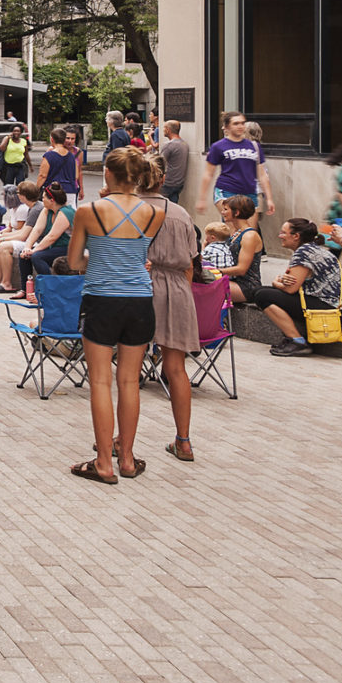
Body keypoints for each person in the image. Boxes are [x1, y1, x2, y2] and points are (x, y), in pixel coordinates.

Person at [65, 147, 165, 485]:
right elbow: (140, 255)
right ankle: (127, 458)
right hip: (140, 300)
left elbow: (76, 261)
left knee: (100, 382)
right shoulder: (155, 213)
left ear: (108, 173)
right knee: (129, 382)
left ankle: (103, 461)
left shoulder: (89, 210)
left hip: (102, 298)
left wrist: (100, 258)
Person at [137, 153, 200, 463]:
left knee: (129, 369)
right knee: (176, 369)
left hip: (140, 284)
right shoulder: (180, 213)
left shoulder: (129, 210)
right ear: (163, 180)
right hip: (176, 287)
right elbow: (190, 262)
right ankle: (184, 441)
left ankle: (122, 439)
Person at [254, 218, 342, 357]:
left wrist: (276, 282)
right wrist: (282, 281)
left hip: (332, 308)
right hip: (336, 305)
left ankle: (297, 341)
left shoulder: (303, 253)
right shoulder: (312, 249)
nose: (280, 236)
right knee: (262, 291)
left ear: (296, 236)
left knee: (262, 295)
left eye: (283, 232)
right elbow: (292, 281)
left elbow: (291, 289)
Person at [200, 111, 275, 217]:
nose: (240, 126)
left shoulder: (254, 146)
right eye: (236, 123)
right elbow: (208, 174)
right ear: (226, 127)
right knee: (234, 226)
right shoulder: (218, 146)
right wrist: (202, 199)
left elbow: (262, 175)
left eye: (242, 123)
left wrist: (269, 199)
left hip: (250, 192)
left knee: (249, 231)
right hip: (227, 191)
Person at [217, 194, 265, 304]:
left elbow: (242, 269)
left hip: (246, 286)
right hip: (233, 281)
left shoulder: (249, 236)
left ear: (237, 212)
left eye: (225, 210)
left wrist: (213, 272)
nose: (222, 212)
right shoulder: (236, 232)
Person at [24, 182, 76, 276]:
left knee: (37, 256)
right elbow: (37, 230)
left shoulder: (65, 212)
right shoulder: (47, 210)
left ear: (52, 200)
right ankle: (25, 288)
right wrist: (27, 247)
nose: (42, 199)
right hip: (55, 247)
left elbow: (52, 236)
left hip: (69, 247)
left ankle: (49, 285)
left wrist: (34, 250)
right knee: (24, 256)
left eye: (44, 197)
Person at [159, 119, 189, 201]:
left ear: (168, 130)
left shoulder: (169, 145)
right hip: (179, 183)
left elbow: (159, 163)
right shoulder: (184, 144)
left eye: (164, 128)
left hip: (167, 183)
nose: (163, 130)